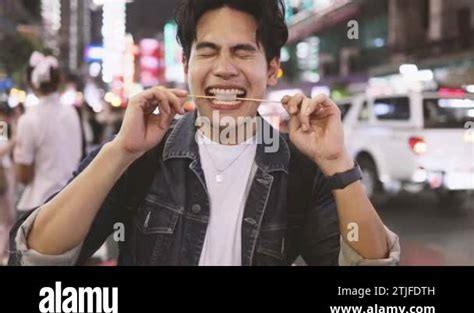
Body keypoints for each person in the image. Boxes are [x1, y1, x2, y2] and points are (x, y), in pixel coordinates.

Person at [9, 0, 399, 266]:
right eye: (208, 51)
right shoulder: (139, 157)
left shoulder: (299, 170)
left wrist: (337, 164)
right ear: (186, 62)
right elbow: (34, 254)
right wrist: (120, 152)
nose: (224, 68)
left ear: (272, 69)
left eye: (243, 51)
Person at [13, 52, 82, 219]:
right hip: (73, 199)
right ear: (59, 81)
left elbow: (23, 176)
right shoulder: (72, 113)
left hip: (40, 205)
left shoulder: (28, 120)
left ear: (31, 83)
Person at [0, 103, 16, 264]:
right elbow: (1, 151)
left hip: (5, 172)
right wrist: (15, 140)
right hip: (3, 173)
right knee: (7, 218)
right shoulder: (2, 126)